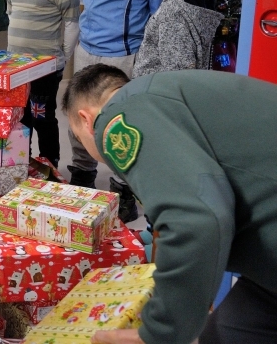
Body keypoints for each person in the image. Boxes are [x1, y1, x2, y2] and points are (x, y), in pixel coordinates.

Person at [63, 64, 277, 344]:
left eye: (79, 139)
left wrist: (158, 334)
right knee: (227, 331)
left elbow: (195, 221)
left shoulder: (118, 118)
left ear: (87, 120)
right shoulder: (161, 94)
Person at [66, 0, 161, 224]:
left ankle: (123, 189)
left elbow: (156, 10)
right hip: (87, 48)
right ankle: (82, 174)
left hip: (123, 55)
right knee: (80, 117)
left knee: (122, 122)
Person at [6, 0, 80, 169]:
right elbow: (11, 14)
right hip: (16, 69)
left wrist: (62, 58)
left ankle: (50, 164)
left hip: (44, 69)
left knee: (43, 117)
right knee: (20, 118)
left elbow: (71, 26)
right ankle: (22, 163)